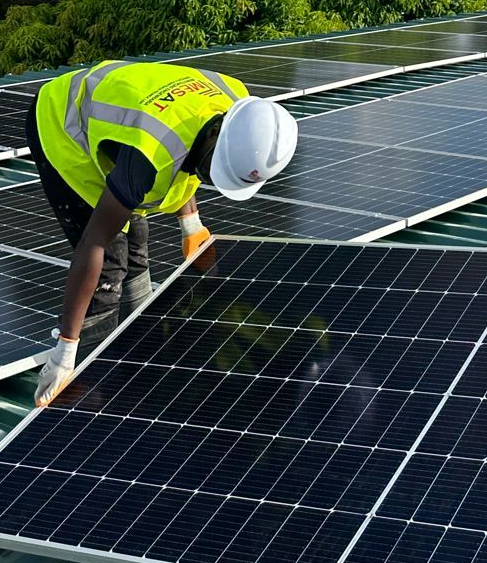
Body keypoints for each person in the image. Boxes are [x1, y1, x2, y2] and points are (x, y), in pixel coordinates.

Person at [28, 59, 298, 408]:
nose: (210, 179)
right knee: (109, 264)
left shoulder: (239, 109)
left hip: (126, 117)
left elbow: (190, 145)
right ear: (220, 133)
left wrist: (192, 223)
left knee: (136, 239)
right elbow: (94, 241)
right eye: (212, 170)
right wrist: (66, 348)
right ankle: (92, 378)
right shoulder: (149, 152)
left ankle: (136, 346)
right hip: (63, 127)